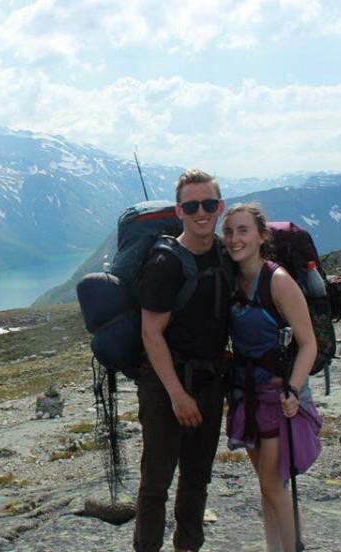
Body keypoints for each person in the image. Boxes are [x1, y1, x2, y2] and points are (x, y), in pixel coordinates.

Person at [135, 168, 232, 552]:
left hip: (209, 383)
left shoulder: (225, 254)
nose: (201, 212)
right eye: (191, 206)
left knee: (196, 479)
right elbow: (150, 332)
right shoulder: (166, 262)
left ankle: (188, 547)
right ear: (179, 211)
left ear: (220, 206)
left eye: (208, 204)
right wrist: (177, 394)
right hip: (165, 387)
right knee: (156, 484)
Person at [221, 203, 322, 552]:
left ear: (262, 236)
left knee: (271, 482)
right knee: (266, 485)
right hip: (246, 393)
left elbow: (308, 343)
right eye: (229, 231)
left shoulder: (278, 281)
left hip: (278, 395)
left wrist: (294, 389)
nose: (235, 239)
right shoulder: (233, 279)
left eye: (243, 230)